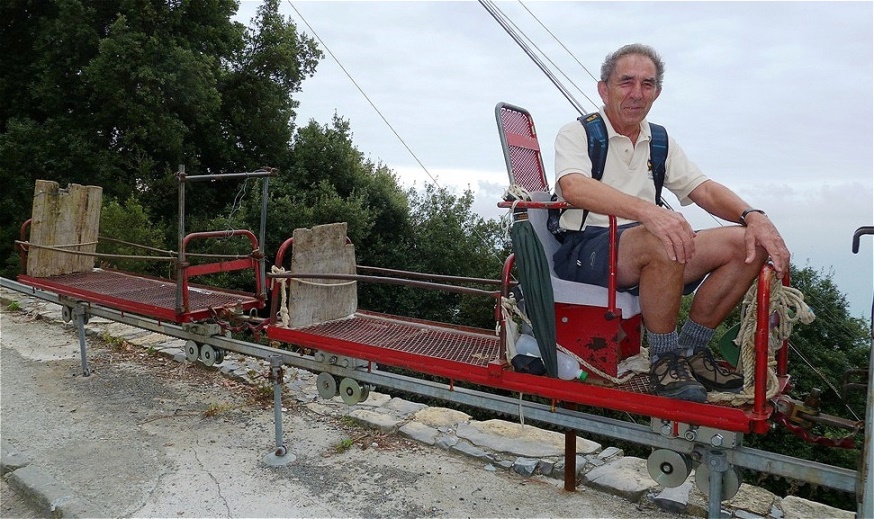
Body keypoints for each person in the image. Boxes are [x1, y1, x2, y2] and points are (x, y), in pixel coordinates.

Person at [552, 43, 790, 403]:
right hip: (587, 248)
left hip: (646, 244)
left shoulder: (658, 140)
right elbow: (573, 186)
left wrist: (753, 216)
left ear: (657, 93)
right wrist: (648, 212)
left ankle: (691, 350)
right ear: (604, 89)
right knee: (661, 237)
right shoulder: (579, 133)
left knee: (746, 243)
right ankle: (664, 357)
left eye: (647, 84)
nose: (637, 93)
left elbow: (703, 189)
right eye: (626, 82)